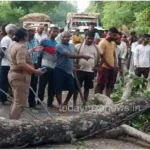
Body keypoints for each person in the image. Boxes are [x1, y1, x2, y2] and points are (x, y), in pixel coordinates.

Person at [8, 28, 44, 120]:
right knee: (20, 103)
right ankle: (13, 125)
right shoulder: (22, 47)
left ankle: (11, 122)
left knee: (16, 101)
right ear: (24, 36)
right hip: (20, 77)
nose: (29, 36)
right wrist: (35, 71)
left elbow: (19, 56)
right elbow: (21, 63)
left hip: (13, 75)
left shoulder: (14, 44)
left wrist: (31, 51)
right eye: (27, 35)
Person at [54, 31, 92, 107]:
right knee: (59, 89)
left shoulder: (72, 46)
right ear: (61, 37)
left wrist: (74, 65)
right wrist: (83, 56)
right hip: (60, 69)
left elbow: (73, 58)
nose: (65, 38)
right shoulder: (59, 46)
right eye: (64, 37)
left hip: (69, 70)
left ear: (70, 38)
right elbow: (69, 55)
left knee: (72, 89)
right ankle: (60, 104)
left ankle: (65, 102)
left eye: (67, 37)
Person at [72, 31, 103, 106]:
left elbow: (103, 57)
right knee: (76, 88)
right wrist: (74, 64)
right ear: (85, 38)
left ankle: (84, 102)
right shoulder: (78, 46)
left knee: (87, 88)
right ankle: (74, 102)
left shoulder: (96, 47)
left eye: (91, 39)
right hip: (79, 70)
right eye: (88, 38)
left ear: (93, 39)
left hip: (90, 71)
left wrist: (98, 67)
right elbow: (72, 56)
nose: (90, 40)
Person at [38, 27, 59, 108]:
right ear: (49, 32)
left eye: (57, 32)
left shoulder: (57, 43)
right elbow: (39, 53)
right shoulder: (44, 41)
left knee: (52, 86)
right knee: (42, 84)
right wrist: (38, 65)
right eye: (54, 31)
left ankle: (50, 102)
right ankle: (39, 100)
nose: (56, 33)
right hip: (44, 66)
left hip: (54, 67)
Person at [95, 27, 118, 97]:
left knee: (109, 85)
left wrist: (115, 65)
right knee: (100, 84)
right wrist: (110, 66)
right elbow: (102, 57)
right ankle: (97, 98)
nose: (115, 37)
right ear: (109, 33)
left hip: (111, 67)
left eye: (115, 35)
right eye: (114, 35)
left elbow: (114, 55)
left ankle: (108, 99)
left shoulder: (113, 43)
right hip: (104, 67)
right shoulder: (102, 43)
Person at [26, 25, 43, 110]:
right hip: (25, 67)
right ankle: (20, 103)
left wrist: (38, 64)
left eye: (33, 31)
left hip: (35, 66)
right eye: (29, 31)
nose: (31, 33)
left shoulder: (36, 41)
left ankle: (32, 103)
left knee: (34, 84)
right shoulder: (23, 42)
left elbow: (38, 54)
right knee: (24, 85)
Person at [0, 24, 17, 104]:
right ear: (10, 31)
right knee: (4, 82)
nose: (16, 30)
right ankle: (3, 99)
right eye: (15, 29)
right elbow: (2, 51)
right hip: (5, 64)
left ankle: (5, 97)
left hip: (10, 64)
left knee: (8, 82)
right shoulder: (6, 39)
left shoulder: (11, 39)